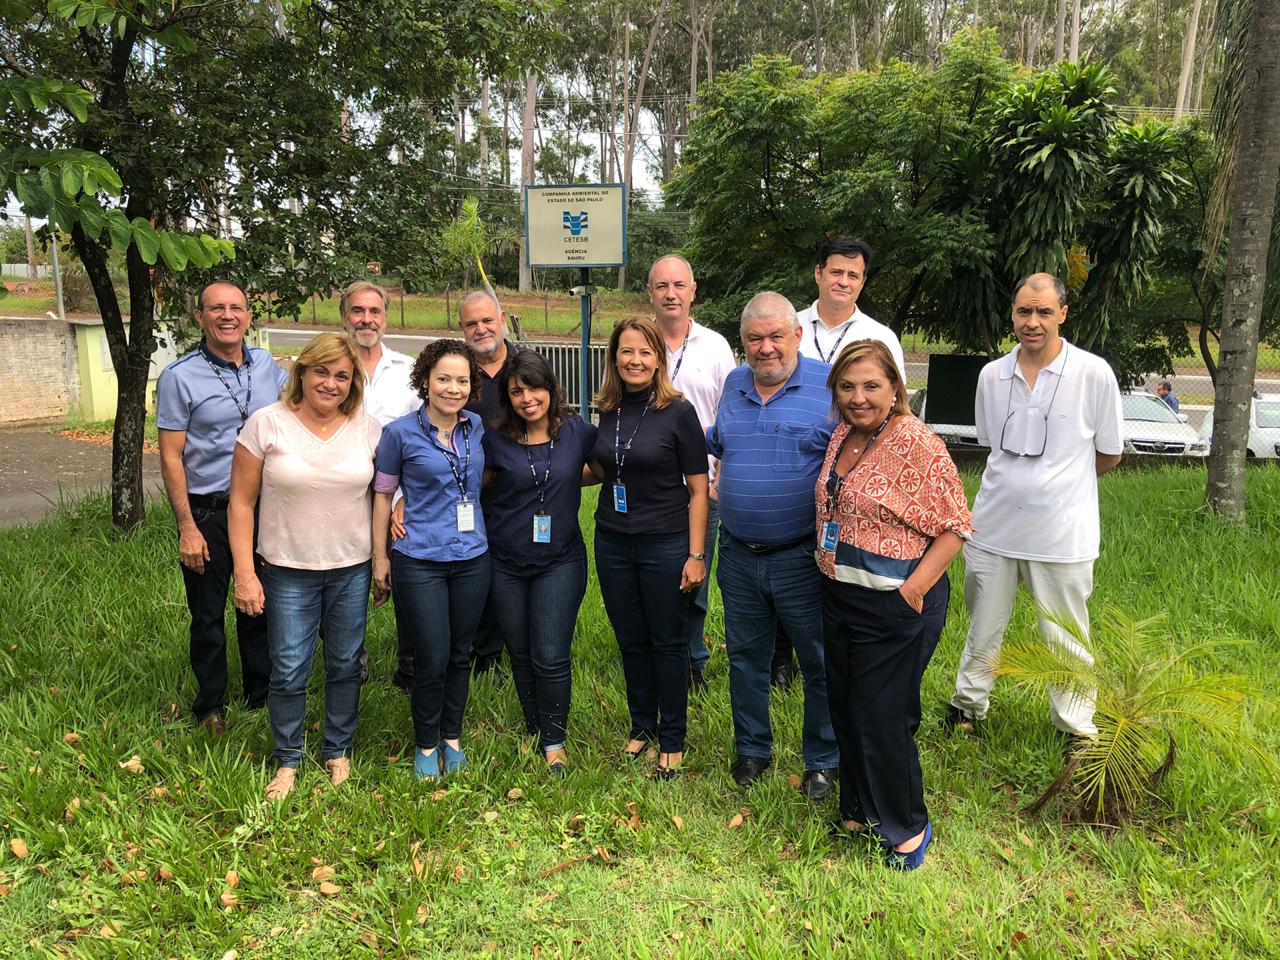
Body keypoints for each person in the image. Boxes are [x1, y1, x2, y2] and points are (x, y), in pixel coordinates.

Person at [948, 273, 1123, 746]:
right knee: (983, 625)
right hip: (992, 526)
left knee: (1066, 635)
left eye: (1044, 311)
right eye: (1024, 311)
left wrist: (1060, 488)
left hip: (1062, 534)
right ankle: (968, 705)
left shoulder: (1092, 373)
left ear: (1063, 314)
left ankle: (1075, 726)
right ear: (1013, 314)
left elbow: (1108, 454)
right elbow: (991, 446)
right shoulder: (991, 375)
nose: (1033, 321)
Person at [817, 340, 972, 871]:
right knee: (845, 705)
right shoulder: (844, 434)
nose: (858, 398)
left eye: (871, 386)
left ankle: (908, 825)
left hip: (896, 601)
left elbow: (955, 527)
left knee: (880, 714)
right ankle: (859, 809)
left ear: (895, 389)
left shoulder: (918, 443)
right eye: (847, 387)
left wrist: (913, 589)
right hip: (840, 594)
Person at [227, 332, 382, 800]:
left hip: (350, 567)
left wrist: (389, 536)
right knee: (290, 667)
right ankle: (288, 758)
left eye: (342, 375)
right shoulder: (265, 425)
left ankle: (337, 750)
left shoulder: (368, 428)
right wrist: (245, 574)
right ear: (302, 372)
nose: (330, 384)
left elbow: (387, 492)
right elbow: (240, 503)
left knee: (345, 664)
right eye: (321, 371)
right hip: (287, 568)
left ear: (353, 382)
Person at [706, 292, 840, 801]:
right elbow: (723, 442)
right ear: (743, 343)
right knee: (746, 657)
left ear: (797, 336)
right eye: (754, 339)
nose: (765, 348)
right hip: (738, 553)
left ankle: (822, 762)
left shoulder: (828, 386)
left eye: (775, 337)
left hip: (801, 555)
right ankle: (753, 750)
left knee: (818, 661)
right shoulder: (734, 383)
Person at [157, 281, 288, 734]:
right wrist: (186, 527)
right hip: (209, 512)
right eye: (216, 308)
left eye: (236, 308)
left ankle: (261, 695)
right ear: (200, 317)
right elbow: (171, 456)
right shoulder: (179, 376)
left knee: (259, 606)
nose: (227, 315)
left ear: (249, 317)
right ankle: (209, 705)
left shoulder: (270, 367)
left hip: (262, 509)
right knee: (208, 613)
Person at [590, 317, 709, 779]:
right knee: (630, 640)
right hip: (613, 541)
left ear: (659, 358)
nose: (635, 360)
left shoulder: (678, 412)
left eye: (644, 352)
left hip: (665, 542)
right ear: (614, 357)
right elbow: (606, 468)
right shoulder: (608, 408)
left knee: (667, 641)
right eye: (626, 351)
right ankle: (642, 724)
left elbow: (699, 490)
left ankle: (673, 737)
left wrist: (696, 555)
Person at [372, 340, 489, 781]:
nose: (452, 388)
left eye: (462, 380)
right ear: (425, 380)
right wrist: (380, 556)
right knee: (432, 654)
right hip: (419, 556)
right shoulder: (399, 433)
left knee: (461, 652)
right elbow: (383, 495)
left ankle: (452, 738)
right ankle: (425, 743)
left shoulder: (475, 427)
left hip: (474, 555)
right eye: (443, 378)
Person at [482, 351, 598, 776]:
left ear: (550, 388)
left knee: (550, 654)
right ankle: (534, 726)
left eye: (534, 388)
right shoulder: (494, 439)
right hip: (505, 559)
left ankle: (554, 740)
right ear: (507, 397)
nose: (527, 398)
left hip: (559, 558)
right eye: (516, 391)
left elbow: (604, 469)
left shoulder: (577, 432)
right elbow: (470, 484)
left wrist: (561, 479)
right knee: (519, 652)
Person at [647, 254, 736, 692]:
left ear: (693, 291)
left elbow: (730, 416)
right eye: (661, 286)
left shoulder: (716, 347)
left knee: (695, 573)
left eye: (679, 285)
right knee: (654, 574)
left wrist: (719, 480)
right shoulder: (636, 343)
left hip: (702, 485)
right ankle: (656, 653)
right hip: (649, 488)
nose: (670, 294)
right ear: (650, 293)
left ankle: (692, 660)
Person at [341, 279, 420, 690]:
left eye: (374, 312)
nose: (366, 319)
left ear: (385, 318)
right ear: (344, 317)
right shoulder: (330, 369)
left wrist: (406, 500)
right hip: (340, 495)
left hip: (399, 496)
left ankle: (409, 666)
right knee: (344, 578)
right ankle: (351, 662)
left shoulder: (408, 372)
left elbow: (425, 438)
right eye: (358, 311)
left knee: (407, 577)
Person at [458, 290, 526, 676]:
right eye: (472, 323)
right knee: (474, 571)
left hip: (519, 493)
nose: (481, 329)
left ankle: (502, 655)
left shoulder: (527, 365)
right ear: (462, 329)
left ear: (502, 319)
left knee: (510, 573)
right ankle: (474, 651)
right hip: (468, 493)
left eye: (487, 320)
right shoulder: (456, 371)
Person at [796, 236, 906, 378]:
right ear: (818, 273)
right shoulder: (786, 329)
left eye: (853, 275)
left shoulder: (883, 338)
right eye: (836, 272)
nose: (843, 282)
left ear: (863, 282)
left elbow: (895, 396)